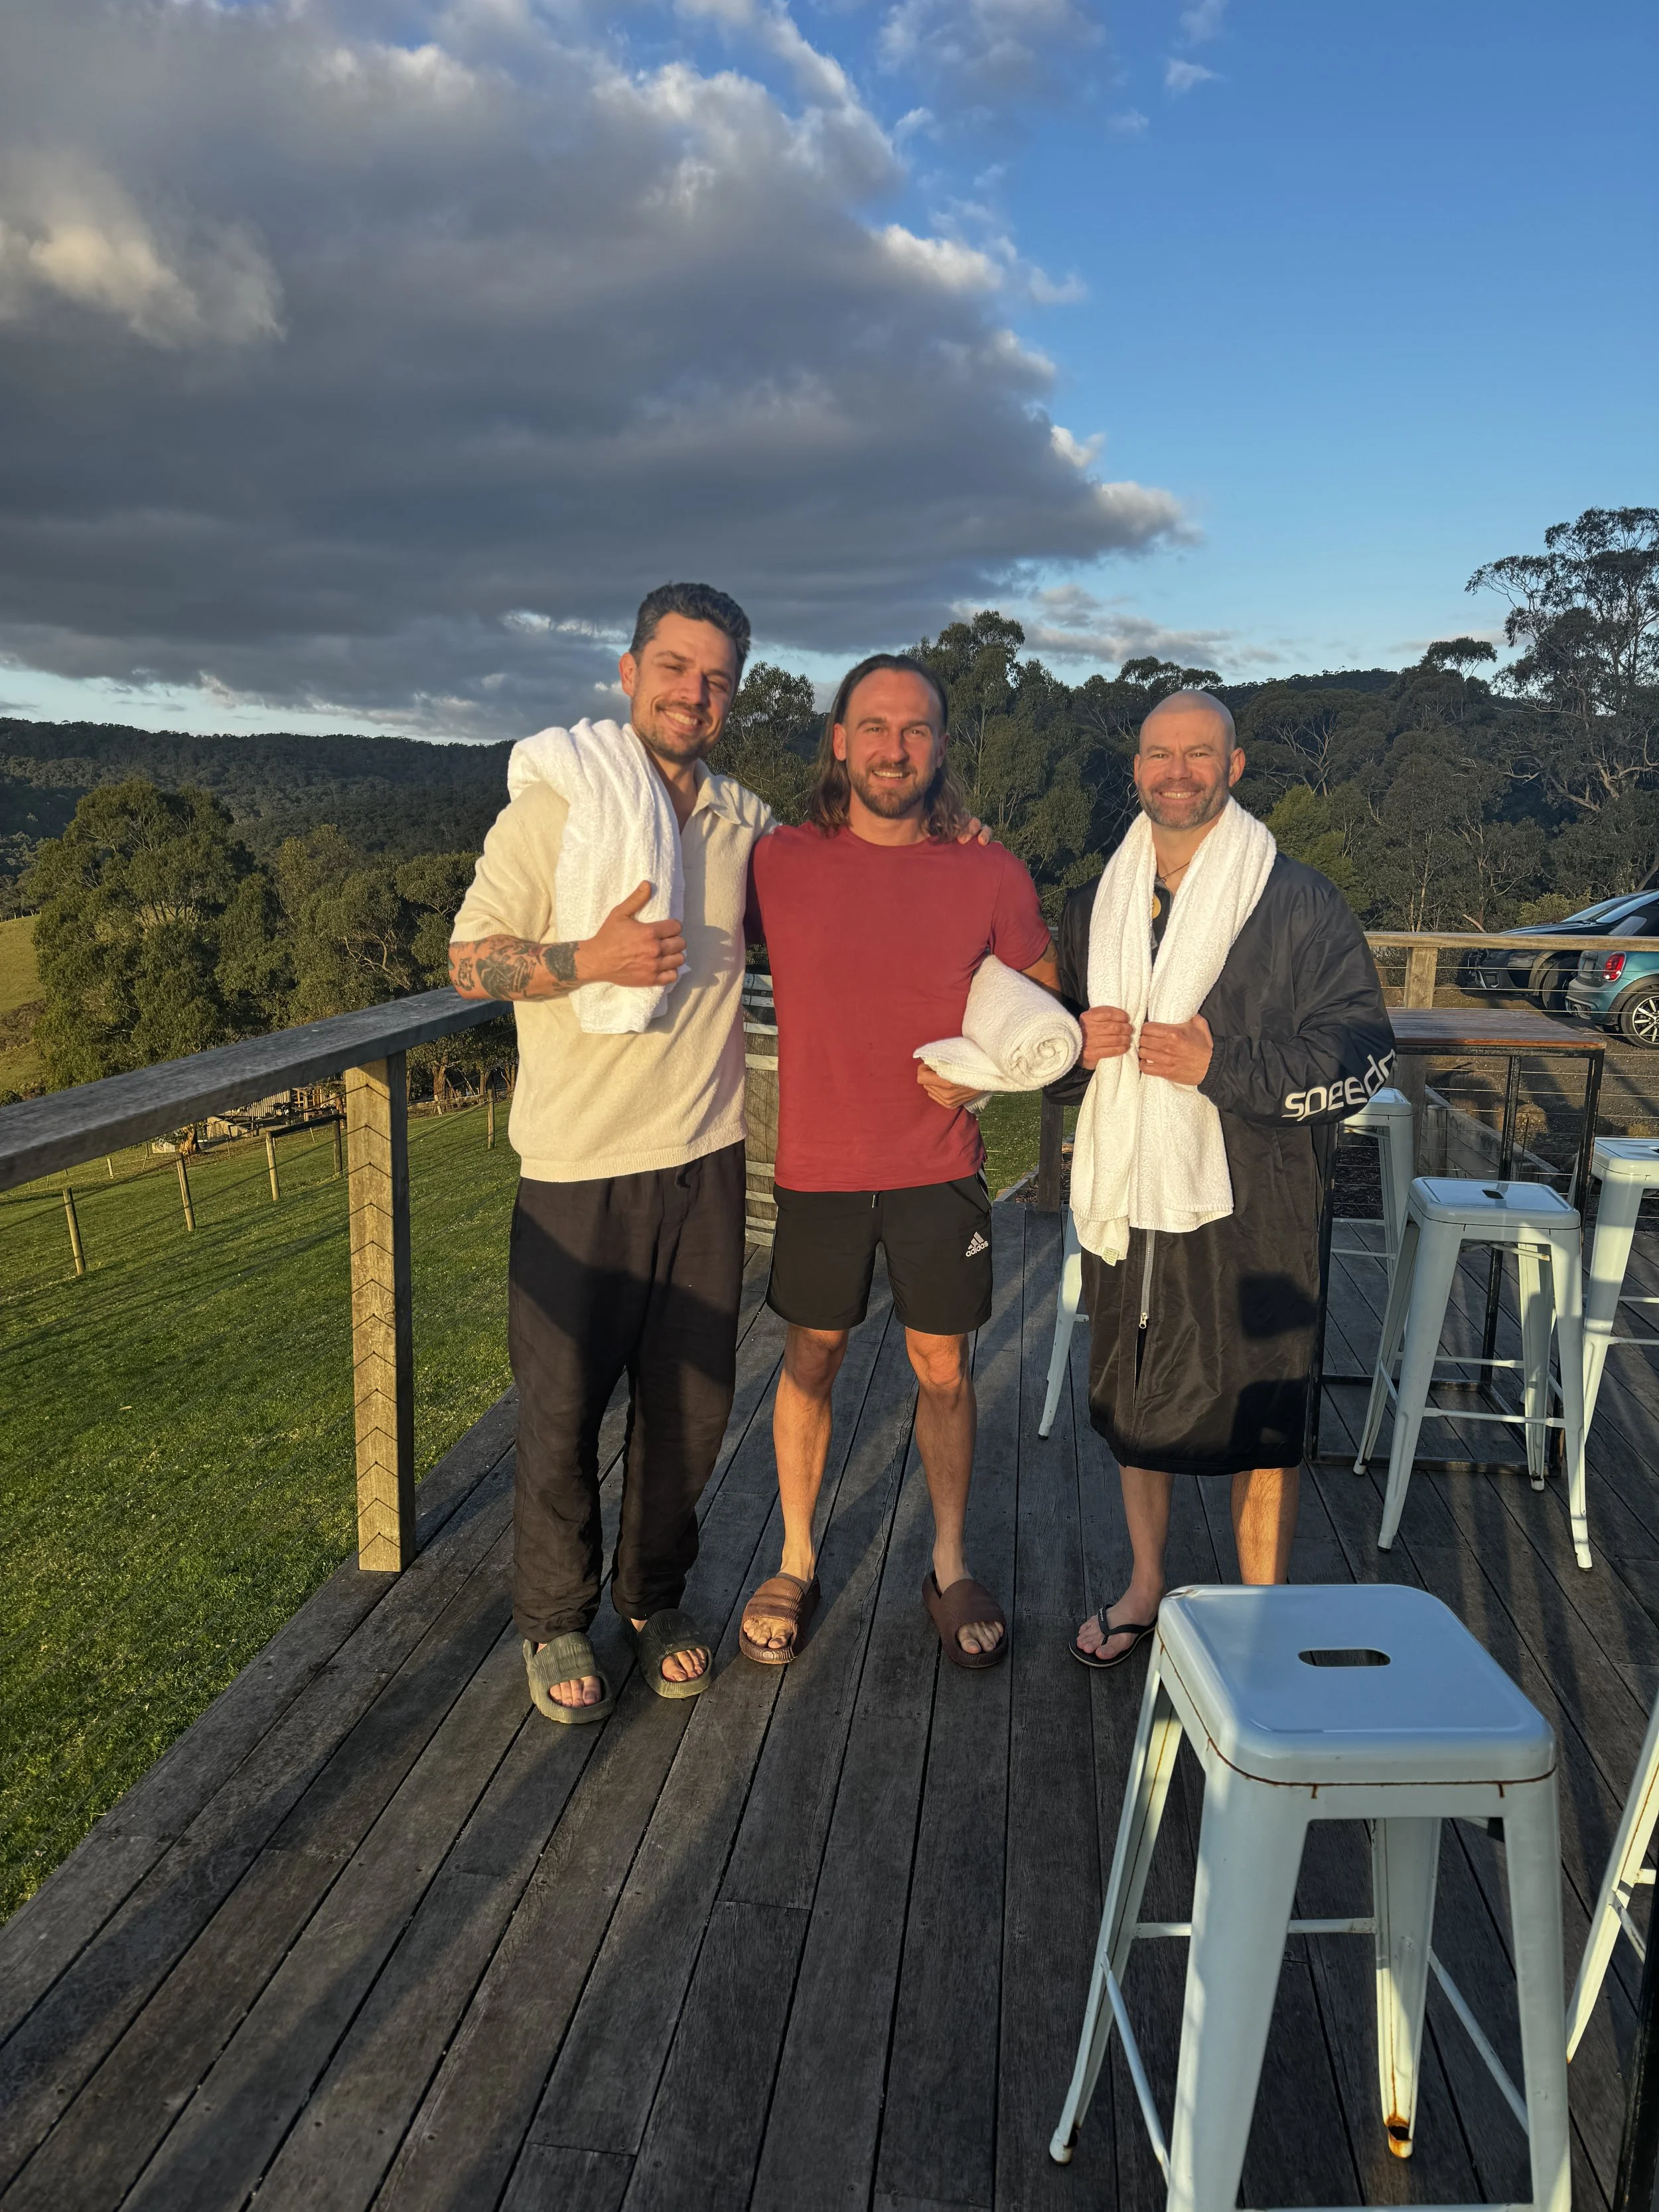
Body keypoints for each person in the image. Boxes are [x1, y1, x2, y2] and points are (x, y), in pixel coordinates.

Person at [449, 581, 772, 1722]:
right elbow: (469, 959)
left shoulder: (744, 822)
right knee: (562, 1407)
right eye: (675, 668)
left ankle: (653, 1598)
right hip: (577, 1167)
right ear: (628, 671)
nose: (695, 693)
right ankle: (552, 1619)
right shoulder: (556, 808)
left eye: (718, 678)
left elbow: (832, 902)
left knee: (689, 1406)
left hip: (706, 1153)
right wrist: (589, 959)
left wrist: (948, 842)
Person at [1046, 690, 1395, 1668]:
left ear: (1234, 768)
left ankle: (1261, 1616)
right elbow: (1055, 1063)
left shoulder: (1298, 900)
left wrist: (1223, 1065)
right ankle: (1147, 1588)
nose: (1178, 772)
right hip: (1133, 1194)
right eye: (1161, 754)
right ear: (1137, 770)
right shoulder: (1095, 906)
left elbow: (1366, 1050)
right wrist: (1074, 1052)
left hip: (1262, 1205)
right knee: (1138, 1399)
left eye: (1200, 754)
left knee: (1264, 1415)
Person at [741, 654, 1057, 1671]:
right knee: (812, 1357)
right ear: (838, 740)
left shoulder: (988, 870)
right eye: (873, 727)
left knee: (944, 1368)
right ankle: (795, 1558)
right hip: (820, 1169)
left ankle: (949, 1562)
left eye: (914, 729)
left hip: (938, 1165)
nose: (893, 747)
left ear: (941, 747)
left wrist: (990, 1075)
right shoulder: (775, 862)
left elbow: (1045, 1003)